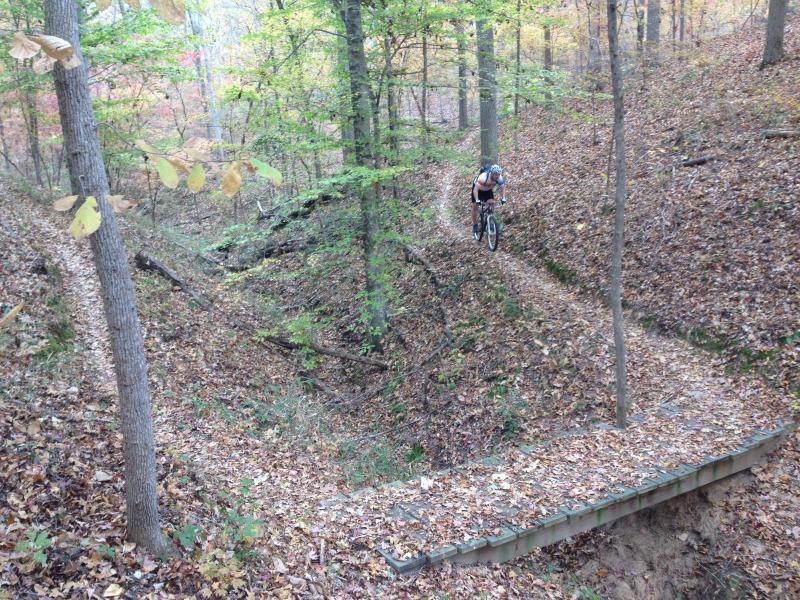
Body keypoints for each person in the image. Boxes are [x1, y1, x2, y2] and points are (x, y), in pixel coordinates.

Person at [471, 164, 506, 239]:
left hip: (487, 190)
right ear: (492, 173)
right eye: (495, 174)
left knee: (492, 202)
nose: (497, 176)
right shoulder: (483, 177)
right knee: (475, 207)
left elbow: (502, 188)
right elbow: (475, 189)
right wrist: (477, 200)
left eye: (498, 174)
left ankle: (490, 219)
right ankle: (475, 225)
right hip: (478, 190)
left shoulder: (499, 178)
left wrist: (503, 198)